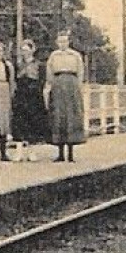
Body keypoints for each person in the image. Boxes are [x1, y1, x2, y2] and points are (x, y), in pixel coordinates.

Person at [44, 30, 88, 162]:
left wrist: (78, 88)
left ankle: (70, 153)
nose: (62, 44)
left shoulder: (75, 55)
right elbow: (49, 74)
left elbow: (80, 72)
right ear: (57, 43)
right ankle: (60, 153)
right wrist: (49, 88)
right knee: (58, 117)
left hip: (71, 85)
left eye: (65, 41)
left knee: (71, 117)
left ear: (68, 42)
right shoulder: (54, 56)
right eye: (60, 41)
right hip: (57, 86)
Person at [12, 38, 46, 142]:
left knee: (33, 121)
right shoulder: (18, 64)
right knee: (21, 121)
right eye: (23, 50)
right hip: (21, 93)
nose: (25, 52)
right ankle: (19, 151)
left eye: (27, 50)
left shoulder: (39, 64)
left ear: (32, 50)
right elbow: (14, 79)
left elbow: (42, 80)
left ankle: (31, 151)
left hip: (33, 94)